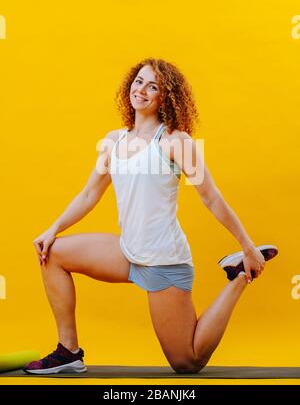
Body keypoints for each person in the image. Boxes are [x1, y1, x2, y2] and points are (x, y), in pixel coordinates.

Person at [24, 58, 278, 375]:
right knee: (52, 253)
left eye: (153, 86)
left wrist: (249, 245)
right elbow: (90, 194)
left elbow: (211, 198)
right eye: (139, 81)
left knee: (187, 362)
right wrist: (52, 229)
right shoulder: (114, 141)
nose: (141, 90)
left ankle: (240, 273)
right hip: (128, 251)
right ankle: (69, 351)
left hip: (163, 259)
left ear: (165, 97)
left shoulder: (176, 142)